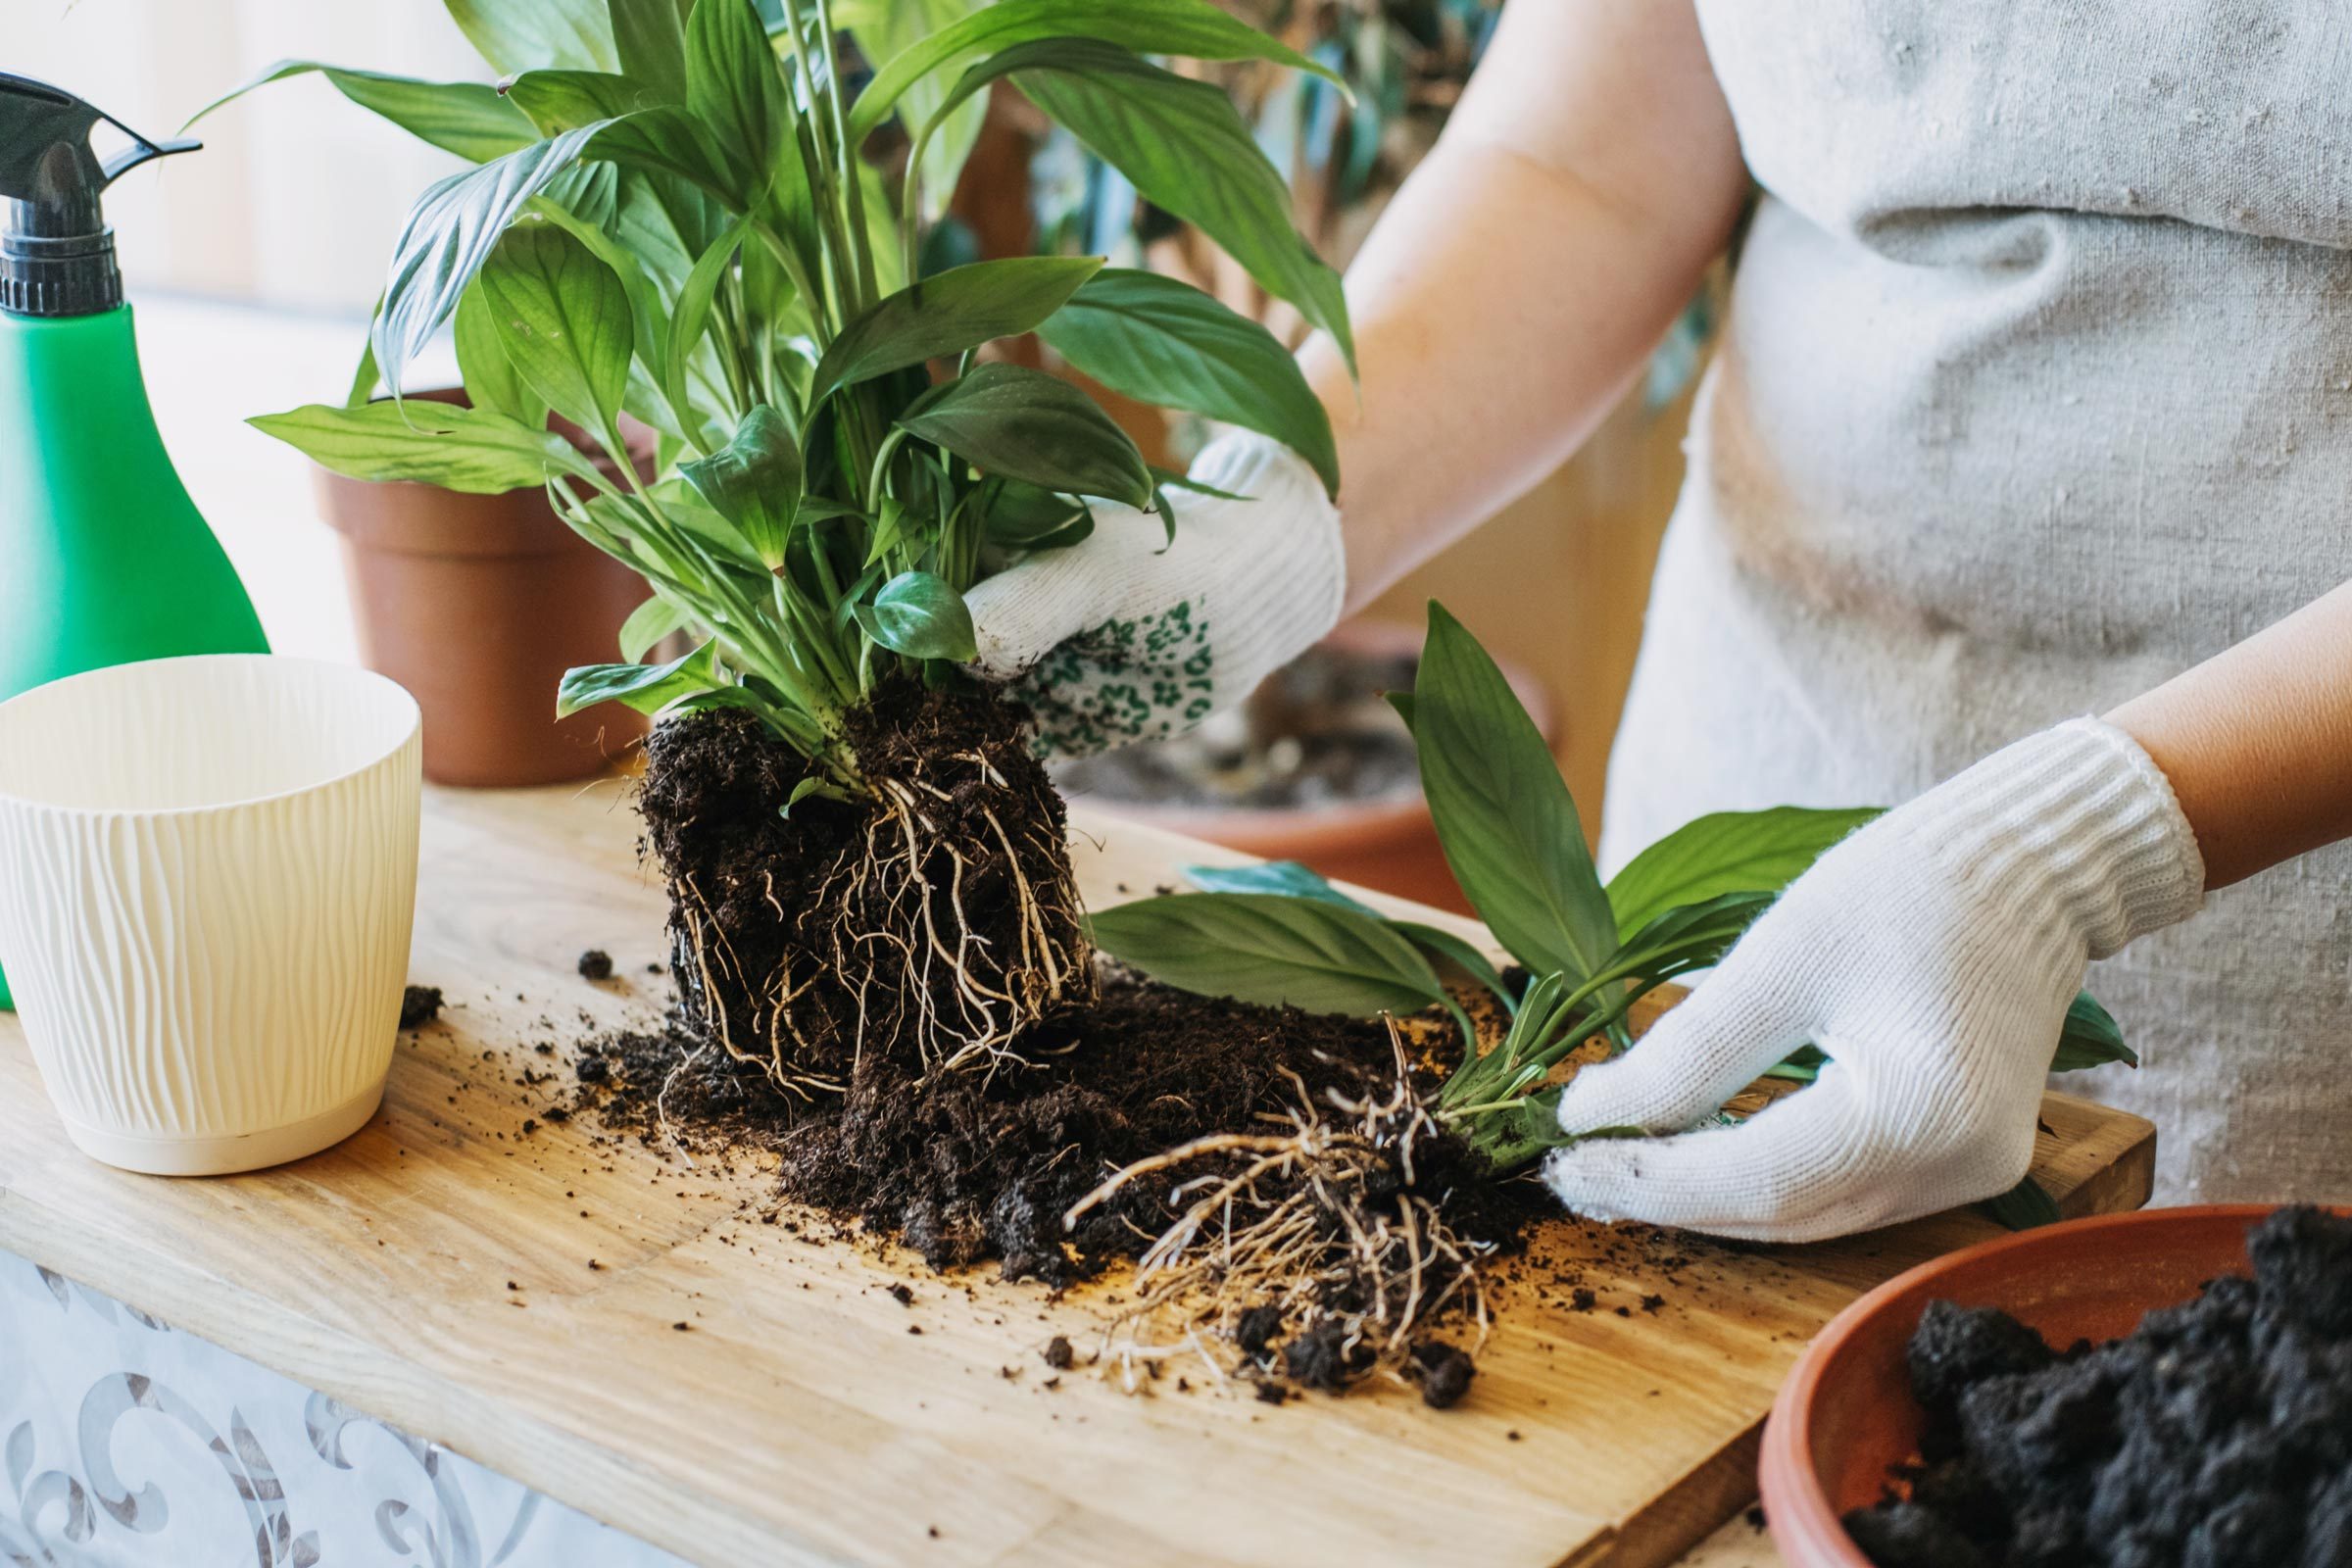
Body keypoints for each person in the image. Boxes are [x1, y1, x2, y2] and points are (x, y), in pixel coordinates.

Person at [962, 0, 2352, 1240]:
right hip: (1763, 787)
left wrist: (2080, 849)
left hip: (2289, 942)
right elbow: (1588, 158)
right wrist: (1271, 509)